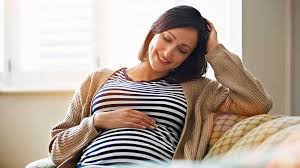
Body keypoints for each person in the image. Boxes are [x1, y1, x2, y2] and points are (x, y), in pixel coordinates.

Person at [48, 5, 273, 168]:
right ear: (153, 32)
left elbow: (257, 102)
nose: (168, 53)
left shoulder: (198, 89)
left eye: (182, 50)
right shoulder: (97, 80)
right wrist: (97, 121)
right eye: (167, 38)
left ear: (191, 56)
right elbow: (58, 150)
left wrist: (214, 49)